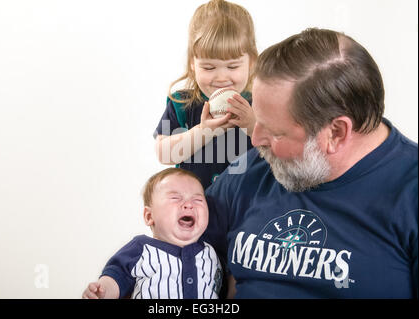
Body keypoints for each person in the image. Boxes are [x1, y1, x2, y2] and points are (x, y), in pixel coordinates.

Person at [201, 28, 418, 298]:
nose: (255, 140)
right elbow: (170, 261)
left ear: (336, 133)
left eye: (276, 133)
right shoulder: (251, 172)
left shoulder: (409, 192)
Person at [154, 0, 258, 189]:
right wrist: (204, 132)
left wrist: (253, 126)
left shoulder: (260, 103)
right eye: (209, 67)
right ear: (193, 64)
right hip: (197, 206)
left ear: (251, 62)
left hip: (247, 206)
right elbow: (164, 154)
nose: (221, 77)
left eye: (233, 66)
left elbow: (281, 151)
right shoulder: (182, 103)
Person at [82, 168, 222, 299]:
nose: (189, 204)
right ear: (149, 216)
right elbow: (117, 274)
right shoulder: (141, 248)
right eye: (175, 198)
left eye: (198, 200)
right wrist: (104, 290)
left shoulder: (211, 253)